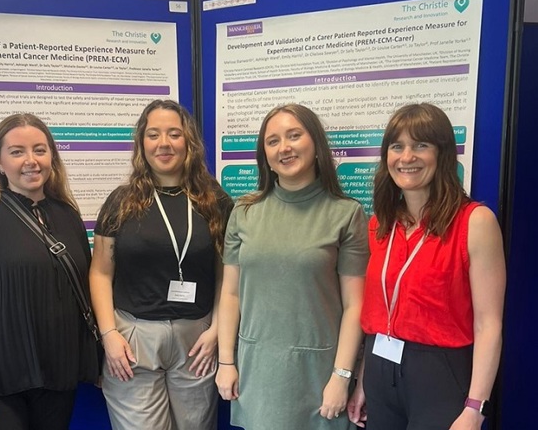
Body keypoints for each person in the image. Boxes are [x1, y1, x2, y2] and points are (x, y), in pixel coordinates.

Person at [0, 113, 100, 430]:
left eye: (40, 149)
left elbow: (82, 294)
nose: (31, 160)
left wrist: (95, 362)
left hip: (54, 381)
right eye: (17, 151)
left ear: (52, 155)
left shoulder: (66, 216)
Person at [347, 103, 506, 429]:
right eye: (397, 146)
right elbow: (378, 314)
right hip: (379, 370)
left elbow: (488, 324)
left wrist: (475, 408)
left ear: (443, 153)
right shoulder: (380, 225)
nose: (407, 157)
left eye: (421, 145)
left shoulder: (474, 222)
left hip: (438, 376)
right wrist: (363, 381)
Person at [216, 103, 369, 430]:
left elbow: (356, 306)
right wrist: (226, 361)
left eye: (294, 136)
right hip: (257, 372)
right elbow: (230, 295)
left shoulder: (346, 214)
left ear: (315, 144)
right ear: (265, 155)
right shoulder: (243, 212)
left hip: (319, 374)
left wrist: (342, 377)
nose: (284, 147)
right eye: (273, 141)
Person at [90, 99, 233, 430]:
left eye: (174, 134)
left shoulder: (215, 201)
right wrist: (108, 333)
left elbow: (227, 275)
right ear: (142, 143)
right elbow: (100, 272)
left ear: (189, 142)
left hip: (197, 339)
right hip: (132, 338)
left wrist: (216, 331)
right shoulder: (120, 202)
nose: (164, 143)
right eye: (153, 134)